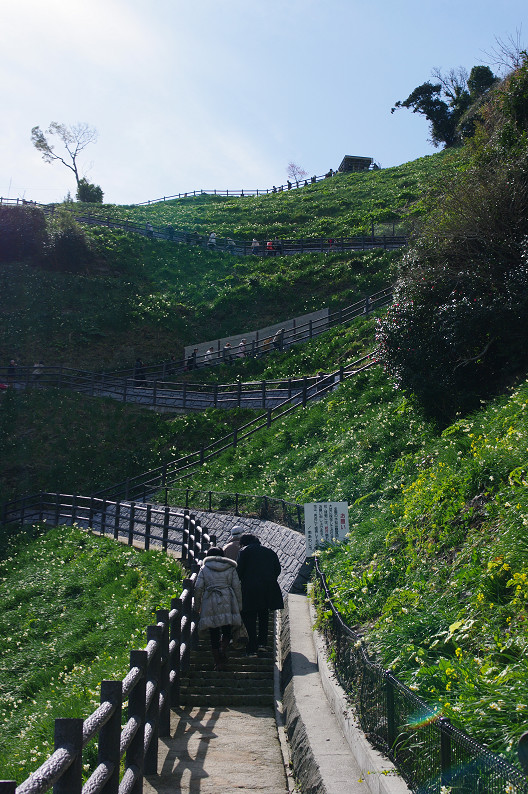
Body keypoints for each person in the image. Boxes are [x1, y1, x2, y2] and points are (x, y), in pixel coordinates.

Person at [193, 547, 243, 671]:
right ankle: (223, 648)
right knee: (227, 629)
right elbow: (237, 587)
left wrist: (197, 606)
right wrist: (239, 605)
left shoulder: (204, 569)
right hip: (228, 599)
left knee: (213, 632)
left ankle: (217, 662)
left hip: (210, 599)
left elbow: (198, 588)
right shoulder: (230, 568)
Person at [237, 534, 284, 656]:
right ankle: (262, 643)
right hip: (268, 589)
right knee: (264, 615)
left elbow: (239, 571)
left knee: (249, 617)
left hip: (250, 589)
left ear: (244, 543)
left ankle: (251, 649)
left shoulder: (244, 552)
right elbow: (277, 570)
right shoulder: (270, 552)